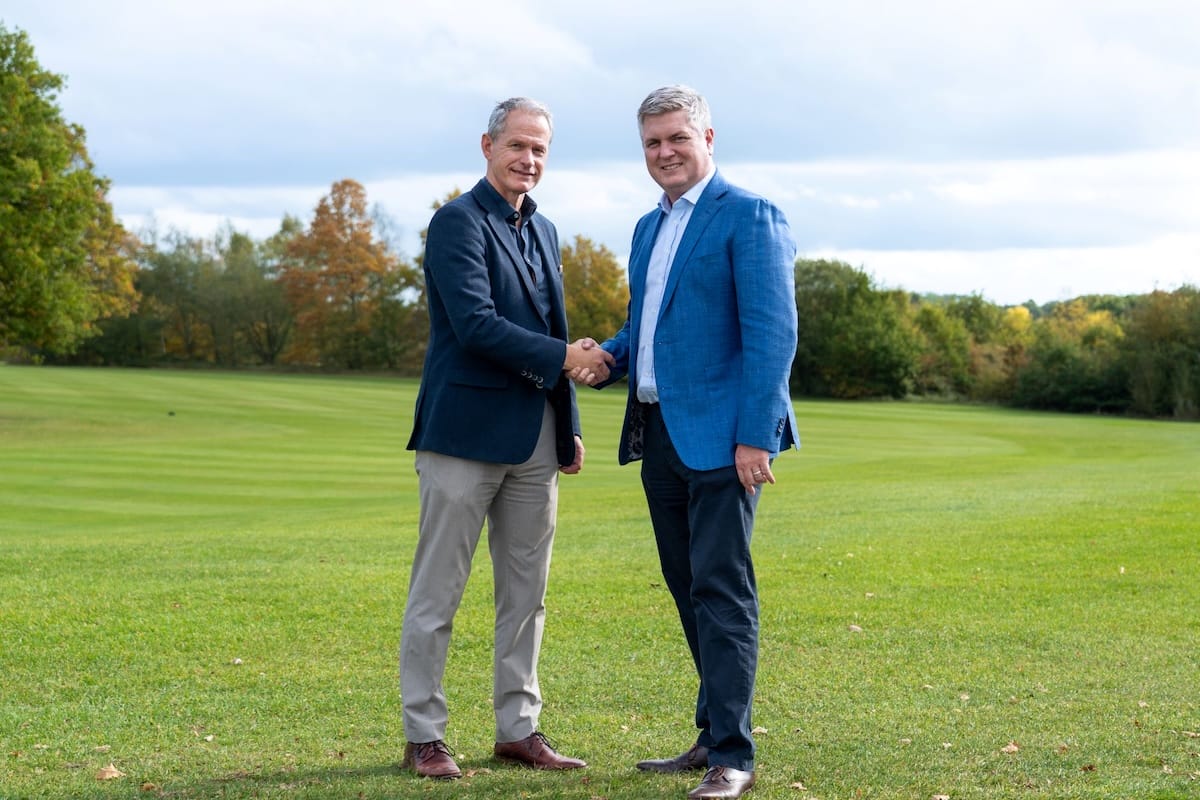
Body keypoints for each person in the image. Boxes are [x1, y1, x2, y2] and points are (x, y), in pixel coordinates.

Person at [591, 85, 798, 800]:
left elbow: (773, 335)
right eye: (652, 142)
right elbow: (646, 327)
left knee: (721, 590)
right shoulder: (648, 227)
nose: (664, 152)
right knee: (688, 589)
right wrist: (608, 358)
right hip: (660, 438)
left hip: (725, 442)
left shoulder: (749, 215)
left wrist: (756, 438)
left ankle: (734, 757)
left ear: (707, 137)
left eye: (677, 137)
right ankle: (711, 734)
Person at [400, 97, 612, 781]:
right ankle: (424, 735)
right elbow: (476, 325)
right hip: (462, 436)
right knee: (438, 592)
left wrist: (568, 424)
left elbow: (553, 326)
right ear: (488, 145)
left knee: (527, 594)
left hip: (536, 440)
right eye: (517, 145)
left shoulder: (544, 229)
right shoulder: (456, 222)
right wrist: (568, 359)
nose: (529, 159)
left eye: (540, 149)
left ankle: (518, 730)